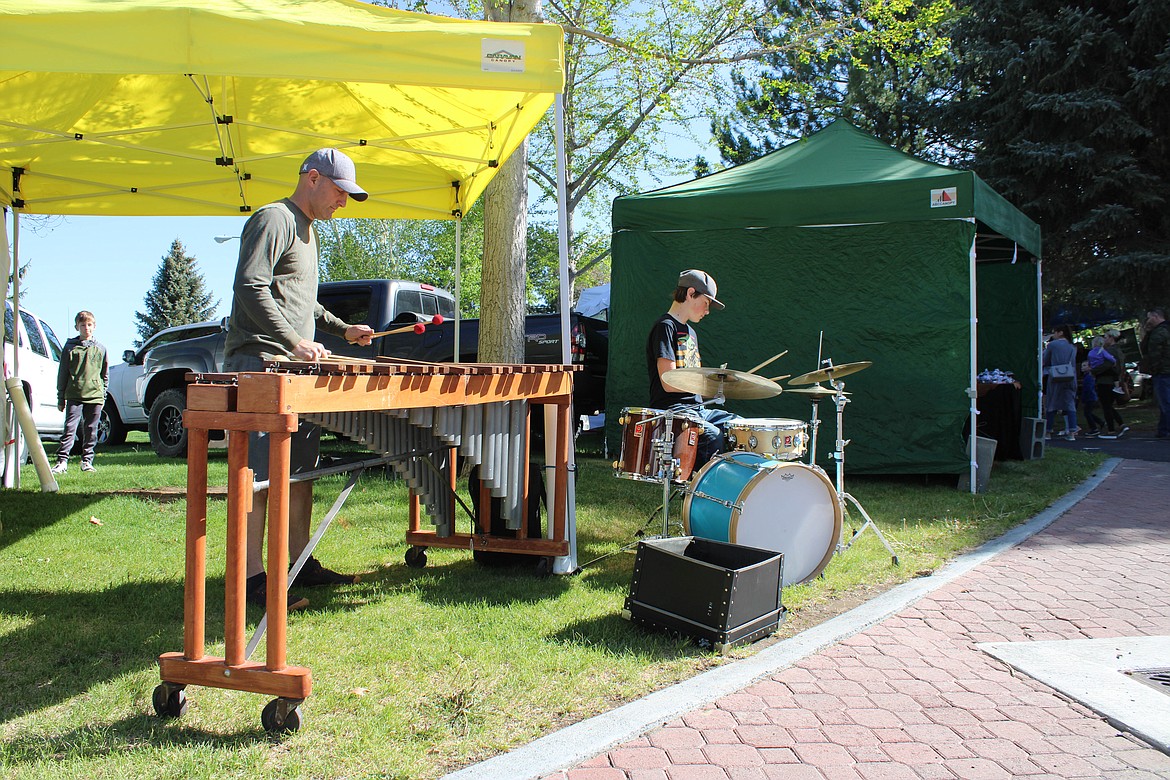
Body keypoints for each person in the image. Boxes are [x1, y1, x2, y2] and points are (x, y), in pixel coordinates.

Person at [224, 148, 375, 610]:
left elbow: (302, 300)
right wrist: (293, 342)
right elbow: (249, 286)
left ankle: (300, 562)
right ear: (313, 178)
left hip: (294, 369)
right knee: (261, 478)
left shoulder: (308, 233)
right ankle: (251, 580)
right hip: (260, 364)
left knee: (301, 472)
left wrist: (340, 328)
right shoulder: (274, 219)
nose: (343, 203)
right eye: (340, 192)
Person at [645, 269, 740, 466]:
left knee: (739, 426)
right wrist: (704, 384)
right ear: (690, 293)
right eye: (706, 304)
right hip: (673, 409)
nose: (707, 311)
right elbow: (668, 382)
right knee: (712, 435)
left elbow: (694, 377)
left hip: (697, 409)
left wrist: (718, 387)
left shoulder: (691, 332)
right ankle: (699, 492)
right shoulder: (665, 327)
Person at [52, 310, 109, 474]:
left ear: (94, 326)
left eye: (89, 325)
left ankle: (87, 461)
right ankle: (62, 461)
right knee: (70, 428)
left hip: (95, 396)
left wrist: (102, 393)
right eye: (83, 325)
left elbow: (104, 374)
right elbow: (63, 373)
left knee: (91, 429)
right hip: (74, 394)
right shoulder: (70, 348)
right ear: (77, 327)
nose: (86, 328)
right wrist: (60, 397)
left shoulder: (101, 349)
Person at [1041, 323, 1078, 440]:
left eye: (1055, 332)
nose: (1054, 335)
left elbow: (1045, 360)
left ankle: (1048, 431)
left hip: (1056, 376)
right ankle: (1072, 432)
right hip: (1070, 376)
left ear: (1060, 332)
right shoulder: (1072, 346)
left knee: (1051, 404)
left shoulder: (1053, 345)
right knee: (1070, 404)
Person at [1090, 334, 1128, 439]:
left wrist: (1093, 370)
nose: (1105, 339)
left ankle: (1111, 429)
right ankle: (1121, 424)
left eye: (1106, 337)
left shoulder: (1107, 352)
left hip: (1105, 381)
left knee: (1106, 406)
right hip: (1112, 381)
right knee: (1108, 406)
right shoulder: (1118, 351)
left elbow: (1107, 366)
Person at [1142, 307, 1170, 439]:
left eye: (1149, 317)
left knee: (1165, 403)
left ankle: (1166, 430)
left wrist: (1154, 370)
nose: (1147, 320)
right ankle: (1163, 430)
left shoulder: (1158, 333)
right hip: (1165, 370)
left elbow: (1152, 354)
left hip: (1163, 372)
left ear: (1155, 317)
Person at [1078, 360, 1104, 437]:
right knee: (1088, 413)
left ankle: (1094, 428)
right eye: (1082, 366)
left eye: (1085, 366)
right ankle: (1100, 422)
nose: (1082, 367)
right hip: (1090, 397)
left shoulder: (1089, 377)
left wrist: (1084, 397)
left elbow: (1088, 389)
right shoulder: (1087, 376)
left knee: (1087, 413)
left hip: (1090, 397)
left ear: (1090, 367)